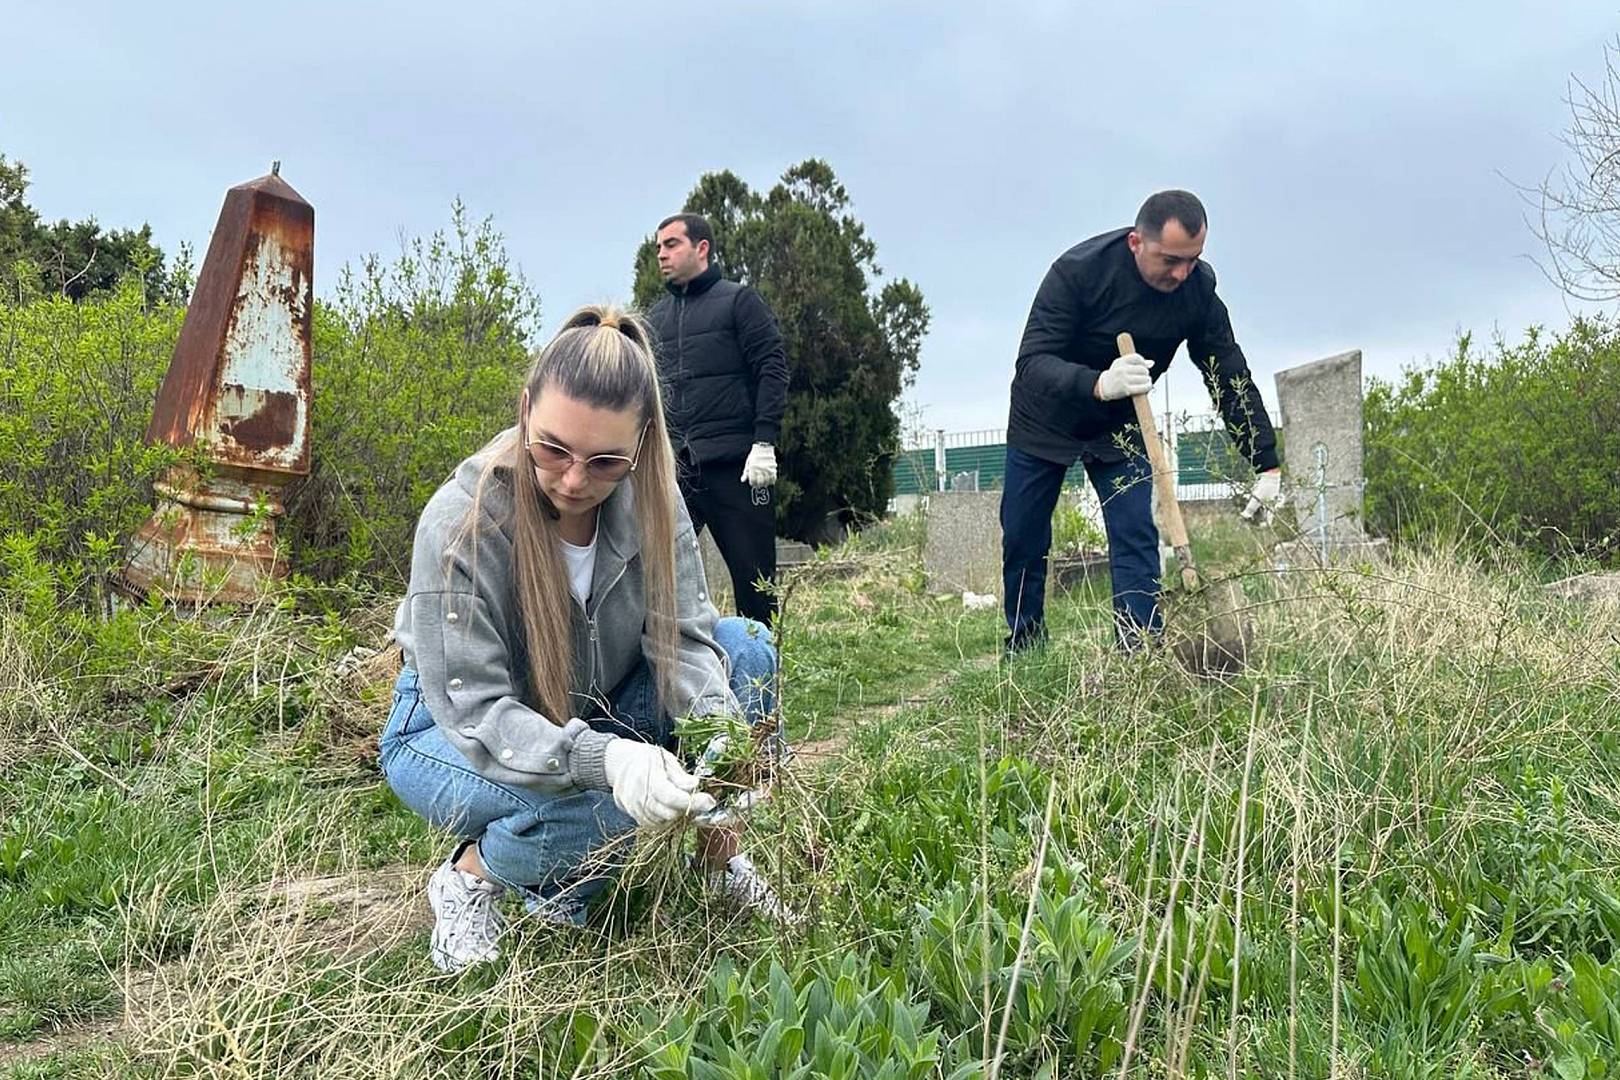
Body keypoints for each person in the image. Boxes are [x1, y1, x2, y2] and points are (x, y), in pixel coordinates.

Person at [379, 305, 792, 974]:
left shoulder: (656, 500)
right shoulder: (460, 523)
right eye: (552, 449)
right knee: (607, 814)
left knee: (745, 645)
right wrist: (611, 763)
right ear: (525, 411)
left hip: (591, 704)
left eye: (605, 462)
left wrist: (726, 744)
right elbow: (476, 710)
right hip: (447, 732)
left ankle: (718, 862)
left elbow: (686, 642)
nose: (574, 481)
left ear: (642, 444)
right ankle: (472, 873)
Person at [1001, 190, 1282, 652]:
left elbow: (1228, 373)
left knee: (1134, 535)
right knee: (1024, 538)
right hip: (1045, 417)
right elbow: (1033, 363)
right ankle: (1025, 645)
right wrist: (1097, 383)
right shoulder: (1077, 272)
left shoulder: (1196, 291)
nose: (1182, 273)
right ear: (1136, 242)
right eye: (1170, 260)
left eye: (1192, 260)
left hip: (1121, 423)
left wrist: (1265, 461)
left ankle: (1139, 654)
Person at [647, 213, 790, 626]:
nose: (661, 254)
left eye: (671, 244)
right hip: (678, 470)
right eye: (658, 247)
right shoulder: (655, 318)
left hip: (738, 468)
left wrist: (764, 442)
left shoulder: (739, 301)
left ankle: (763, 667)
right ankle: (672, 665)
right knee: (657, 582)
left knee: (755, 585)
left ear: (702, 248)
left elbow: (772, 369)